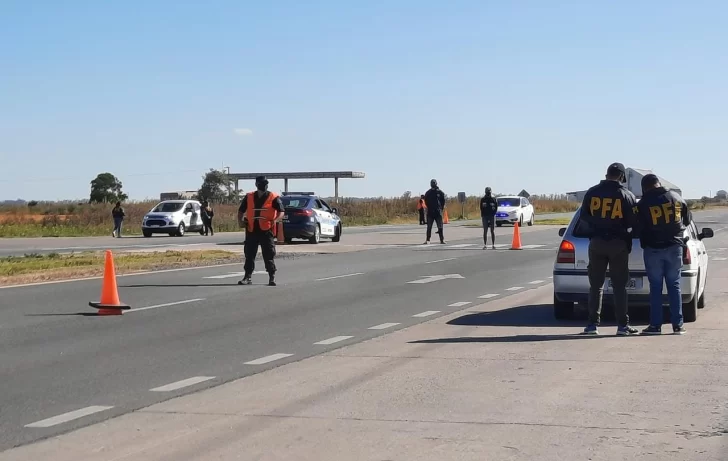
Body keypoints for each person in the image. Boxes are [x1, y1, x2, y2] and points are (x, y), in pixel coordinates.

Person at [578, 162, 639, 336]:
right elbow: (634, 222)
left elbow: (584, 215)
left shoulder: (592, 192)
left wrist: (598, 225)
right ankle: (622, 325)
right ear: (621, 176)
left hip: (596, 242)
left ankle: (592, 325)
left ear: (607, 174)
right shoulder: (626, 195)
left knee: (595, 286)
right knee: (620, 286)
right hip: (618, 244)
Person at [636, 174, 691, 335]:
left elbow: (638, 226)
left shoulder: (644, 203)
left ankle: (655, 325)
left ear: (645, 187)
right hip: (675, 247)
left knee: (655, 288)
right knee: (674, 285)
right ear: (658, 184)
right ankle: (678, 325)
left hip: (653, 249)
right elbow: (686, 221)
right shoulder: (677, 198)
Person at [237, 176, 285, 286]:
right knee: (249, 254)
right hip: (251, 229)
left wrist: (276, 220)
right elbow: (240, 211)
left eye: (266, 183)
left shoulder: (273, 197)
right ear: (257, 184)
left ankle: (271, 277)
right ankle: (247, 277)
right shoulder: (249, 197)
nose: (264, 185)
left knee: (269, 254)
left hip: (266, 230)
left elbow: (281, 211)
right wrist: (240, 221)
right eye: (262, 183)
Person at [423, 179, 446, 244]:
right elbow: (426, 201)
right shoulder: (428, 193)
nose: (433, 184)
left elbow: (443, 201)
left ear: (436, 183)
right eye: (432, 183)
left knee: (440, 226)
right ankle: (428, 240)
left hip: (438, 212)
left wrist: (440, 208)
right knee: (429, 227)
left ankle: (442, 240)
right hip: (430, 212)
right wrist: (429, 207)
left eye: (434, 183)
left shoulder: (440, 192)